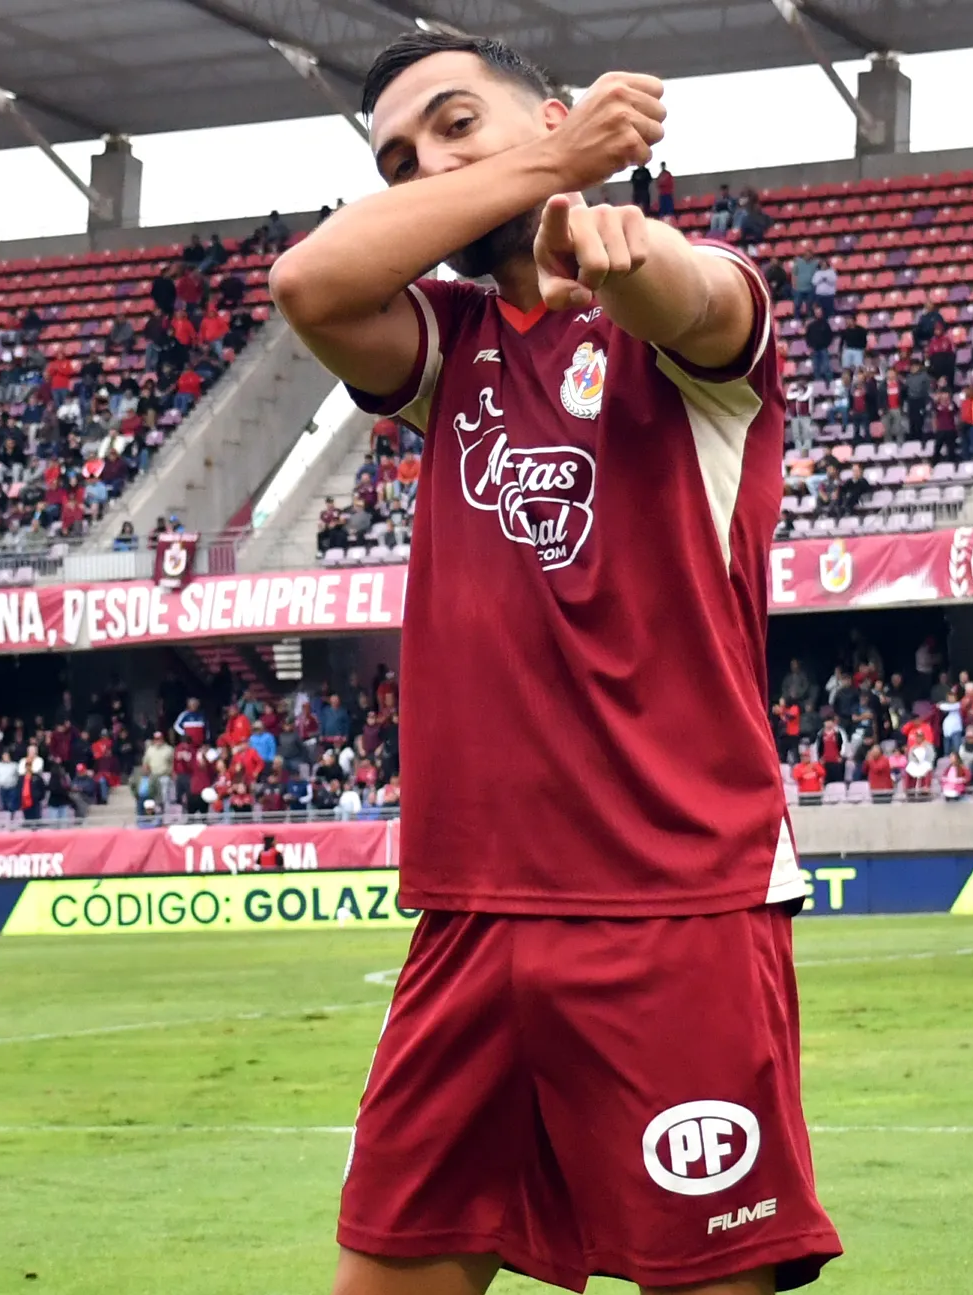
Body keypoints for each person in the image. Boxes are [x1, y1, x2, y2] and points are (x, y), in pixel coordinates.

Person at [270, 31, 842, 1295]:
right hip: (468, 916)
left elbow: (686, 296)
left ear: (558, 112)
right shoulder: (447, 345)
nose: (427, 166)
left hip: (672, 904)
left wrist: (599, 217)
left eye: (458, 124)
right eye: (400, 161)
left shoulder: (703, 314)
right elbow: (307, 286)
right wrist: (544, 158)